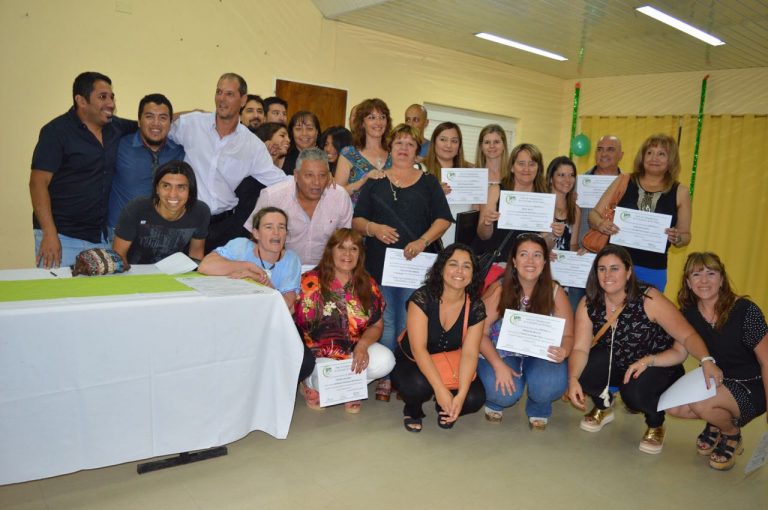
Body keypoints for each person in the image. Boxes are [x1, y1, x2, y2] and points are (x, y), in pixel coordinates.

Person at [567, 245, 722, 454]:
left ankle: (655, 424)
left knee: (634, 394)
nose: (607, 275)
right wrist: (573, 378)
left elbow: (687, 336)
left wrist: (706, 360)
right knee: (583, 370)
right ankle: (603, 406)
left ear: (628, 271)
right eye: (601, 269)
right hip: (619, 360)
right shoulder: (589, 302)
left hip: (657, 364)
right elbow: (580, 348)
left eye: (614, 268)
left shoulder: (649, 298)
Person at [352, 124, 452, 401]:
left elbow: (443, 219)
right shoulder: (375, 180)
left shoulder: (429, 182)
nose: (404, 149)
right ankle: (385, 377)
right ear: (390, 148)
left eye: (410, 144)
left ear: (417, 151)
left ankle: (404, 377)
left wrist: (422, 241)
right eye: (399, 144)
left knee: (411, 323)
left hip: (416, 266)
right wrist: (374, 228)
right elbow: (356, 220)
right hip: (379, 266)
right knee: (387, 323)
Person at [669, 252, 768, 470]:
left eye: (711, 273)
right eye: (696, 274)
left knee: (699, 402)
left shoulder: (746, 311)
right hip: (717, 379)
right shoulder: (688, 313)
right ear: (688, 281)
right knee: (672, 405)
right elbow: (678, 353)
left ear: (722, 279)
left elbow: (766, 361)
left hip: (752, 384)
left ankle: (731, 433)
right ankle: (715, 420)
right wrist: (646, 361)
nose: (704, 281)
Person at [169, 73, 288, 253]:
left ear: (243, 100)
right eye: (219, 92)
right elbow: (157, 126)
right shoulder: (193, 124)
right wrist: (189, 111)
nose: (221, 99)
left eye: (229, 94)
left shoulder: (251, 145)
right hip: (185, 222)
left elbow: (279, 180)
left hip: (223, 228)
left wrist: (320, 179)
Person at [30, 71, 137, 268]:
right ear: (81, 100)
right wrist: (49, 234)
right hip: (62, 238)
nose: (111, 103)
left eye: (112, 97)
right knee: (59, 297)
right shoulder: (56, 132)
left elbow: (151, 124)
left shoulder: (116, 127)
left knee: (97, 298)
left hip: (101, 239)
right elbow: (37, 183)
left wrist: (195, 116)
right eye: (102, 97)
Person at [477, 233, 573, 429]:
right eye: (523, 254)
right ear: (513, 259)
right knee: (503, 394)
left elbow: (568, 335)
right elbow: (479, 332)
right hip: (502, 352)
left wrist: (564, 350)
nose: (530, 261)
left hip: (540, 353)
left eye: (537, 255)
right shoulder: (499, 289)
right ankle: (495, 402)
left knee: (549, 384)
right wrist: (497, 365)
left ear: (545, 261)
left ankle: (539, 406)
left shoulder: (555, 291)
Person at [294, 228, 395, 413]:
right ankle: (309, 384)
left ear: (360, 254)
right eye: (341, 248)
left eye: (354, 249)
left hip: (354, 350)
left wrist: (363, 346)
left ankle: (349, 388)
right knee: (322, 376)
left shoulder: (368, 284)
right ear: (330, 251)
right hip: (319, 356)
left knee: (386, 360)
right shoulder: (307, 282)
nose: (347, 254)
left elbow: (377, 324)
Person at [390, 244, 486, 432]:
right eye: (453, 264)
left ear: (473, 273)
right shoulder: (422, 298)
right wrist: (440, 389)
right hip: (413, 360)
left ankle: (446, 409)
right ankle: (413, 410)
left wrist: (460, 395)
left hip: (449, 362)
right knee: (417, 386)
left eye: (467, 266)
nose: (460, 271)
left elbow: (470, 354)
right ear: (441, 268)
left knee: (473, 398)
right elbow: (419, 349)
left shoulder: (475, 306)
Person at [589, 134, 690, 291]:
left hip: (653, 269)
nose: (654, 158)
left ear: (671, 159)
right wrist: (601, 224)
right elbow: (593, 215)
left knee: (647, 313)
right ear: (642, 156)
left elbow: (686, 236)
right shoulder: (624, 180)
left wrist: (678, 237)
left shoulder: (681, 192)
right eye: (649, 152)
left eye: (661, 154)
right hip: (615, 265)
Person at [243, 148, 352, 266]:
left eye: (322, 175)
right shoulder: (273, 197)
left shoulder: (340, 197)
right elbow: (255, 237)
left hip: (325, 270)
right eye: (309, 175)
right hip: (279, 268)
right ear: (296, 175)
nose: (316, 182)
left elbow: (345, 241)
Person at [107, 94, 185, 234]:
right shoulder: (120, 145)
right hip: (119, 233)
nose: (156, 123)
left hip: (160, 235)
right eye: (149, 116)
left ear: (170, 122)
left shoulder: (179, 151)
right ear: (139, 120)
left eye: (163, 118)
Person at [199, 206, 301, 308]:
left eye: (281, 227)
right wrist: (247, 266)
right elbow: (205, 267)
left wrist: (259, 279)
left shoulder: (291, 259)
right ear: (256, 233)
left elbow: (287, 304)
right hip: (232, 307)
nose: (276, 232)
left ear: (286, 234)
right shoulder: (241, 246)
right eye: (269, 227)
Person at [474, 143, 558, 264]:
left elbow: (545, 245)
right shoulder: (496, 190)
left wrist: (553, 234)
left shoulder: (545, 199)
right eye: (521, 164)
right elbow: (483, 235)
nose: (526, 169)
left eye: (532, 164)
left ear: (538, 168)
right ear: (512, 167)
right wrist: (487, 223)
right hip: (495, 263)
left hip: (525, 267)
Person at [113, 160, 210, 264]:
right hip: (135, 273)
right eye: (166, 186)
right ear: (157, 189)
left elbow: (195, 257)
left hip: (175, 274)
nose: (173, 194)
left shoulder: (200, 211)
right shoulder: (137, 209)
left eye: (181, 187)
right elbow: (118, 257)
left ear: (190, 191)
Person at [571, 135, 624, 309]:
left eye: (610, 149)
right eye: (600, 149)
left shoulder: (628, 187)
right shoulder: (578, 182)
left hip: (614, 260)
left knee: (609, 309)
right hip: (582, 255)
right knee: (577, 308)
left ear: (621, 155)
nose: (604, 154)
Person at [422, 122, 473, 247]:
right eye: (443, 139)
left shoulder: (471, 172)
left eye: (454, 141)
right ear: (434, 142)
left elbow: (475, 212)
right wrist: (435, 194)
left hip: (461, 243)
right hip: (427, 241)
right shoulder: (419, 170)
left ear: (459, 146)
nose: (448, 145)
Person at [335, 98, 392, 204]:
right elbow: (336, 194)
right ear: (362, 123)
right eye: (372, 117)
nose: (378, 122)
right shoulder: (349, 154)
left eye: (382, 117)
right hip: (352, 218)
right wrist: (363, 180)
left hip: (385, 218)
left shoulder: (393, 154)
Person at [547, 156, 584, 310]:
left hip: (563, 273)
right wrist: (544, 251)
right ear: (550, 178)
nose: (567, 180)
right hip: (540, 268)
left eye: (571, 175)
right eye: (561, 175)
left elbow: (573, 244)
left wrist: (580, 255)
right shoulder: (541, 204)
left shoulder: (575, 209)